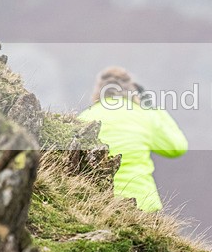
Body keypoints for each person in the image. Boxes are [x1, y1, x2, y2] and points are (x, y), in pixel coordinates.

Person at [79, 66, 188, 212]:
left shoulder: (86, 117)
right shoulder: (145, 116)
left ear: (98, 90)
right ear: (131, 89)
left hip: (98, 203)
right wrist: (151, 107)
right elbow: (177, 147)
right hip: (143, 204)